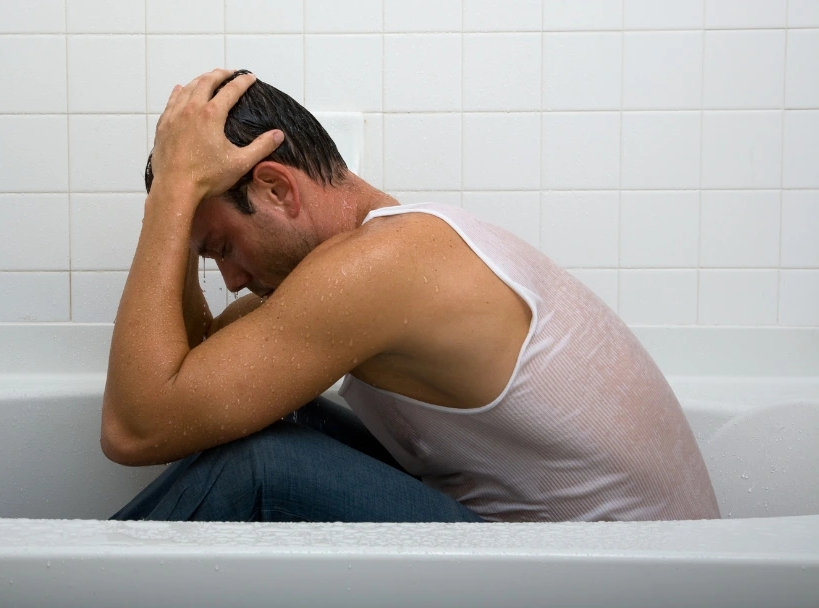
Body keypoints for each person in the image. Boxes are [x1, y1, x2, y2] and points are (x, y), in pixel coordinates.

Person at [103, 68, 720, 524]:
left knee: (256, 470)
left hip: (616, 577)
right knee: (254, 416)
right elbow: (197, 376)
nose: (231, 279)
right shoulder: (370, 259)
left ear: (276, 190)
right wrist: (174, 211)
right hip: (563, 556)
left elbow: (137, 429)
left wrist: (177, 192)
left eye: (222, 248)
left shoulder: (382, 268)